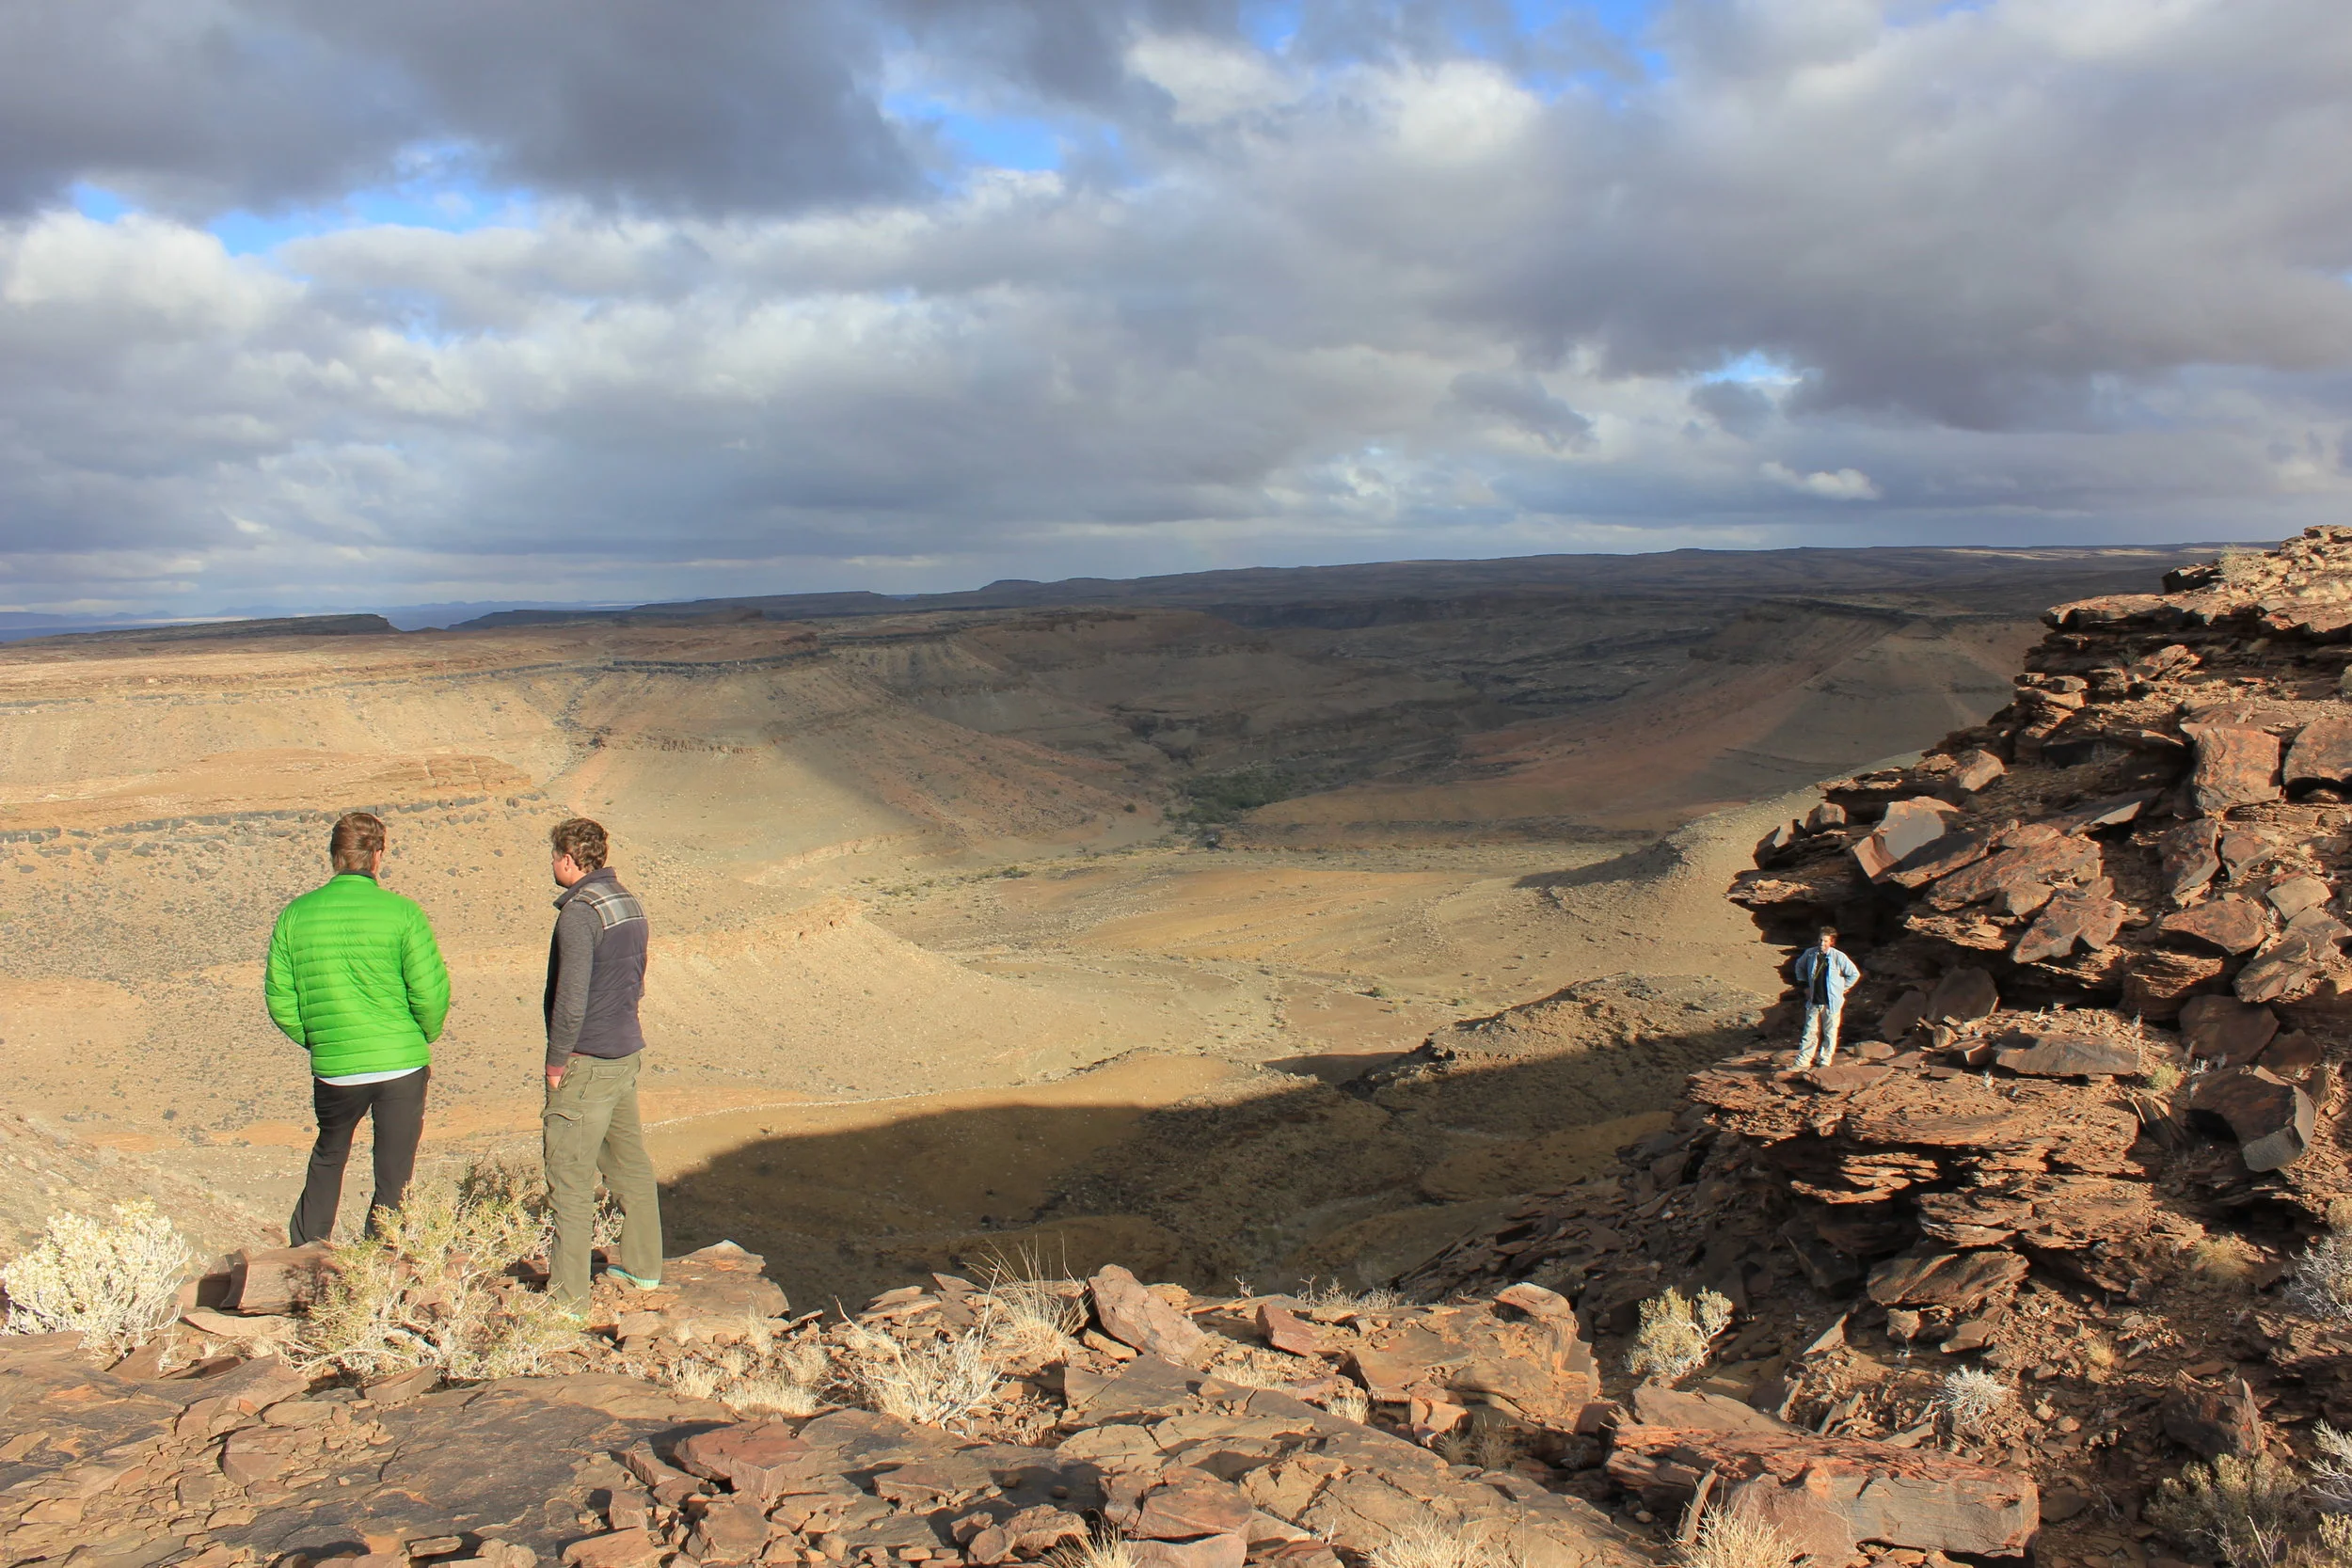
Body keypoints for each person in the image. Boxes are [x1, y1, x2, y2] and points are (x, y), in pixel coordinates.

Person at [266, 811, 451, 1245]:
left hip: (335, 1067)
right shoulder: (402, 913)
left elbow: (280, 997)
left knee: (329, 1155)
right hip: (400, 1063)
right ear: (379, 855)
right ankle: (382, 1259)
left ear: (334, 854)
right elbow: (431, 992)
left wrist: (318, 1038)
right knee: (393, 1169)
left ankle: (307, 1251)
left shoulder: (296, 916)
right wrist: (420, 1034)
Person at [542, 816, 663, 1311]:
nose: (552, 864)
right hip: (624, 1052)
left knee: (568, 1177)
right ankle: (642, 1267)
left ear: (570, 860)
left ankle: (567, 1301)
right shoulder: (627, 903)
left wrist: (556, 1061)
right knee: (628, 1163)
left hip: (586, 1060)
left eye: (554, 856)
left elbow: (570, 999)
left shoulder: (579, 913)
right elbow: (636, 978)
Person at [1792, 926, 1861, 1070]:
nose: (1821, 944)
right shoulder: (1810, 954)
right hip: (1814, 1000)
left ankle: (1825, 1060)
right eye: (1820, 940)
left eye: (1825, 941)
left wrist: (1842, 989)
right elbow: (1799, 967)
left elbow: (1854, 974)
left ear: (1832, 942)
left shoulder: (1838, 957)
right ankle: (1803, 1062)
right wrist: (1804, 985)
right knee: (1810, 1031)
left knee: (1830, 1032)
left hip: (1832, 1002)